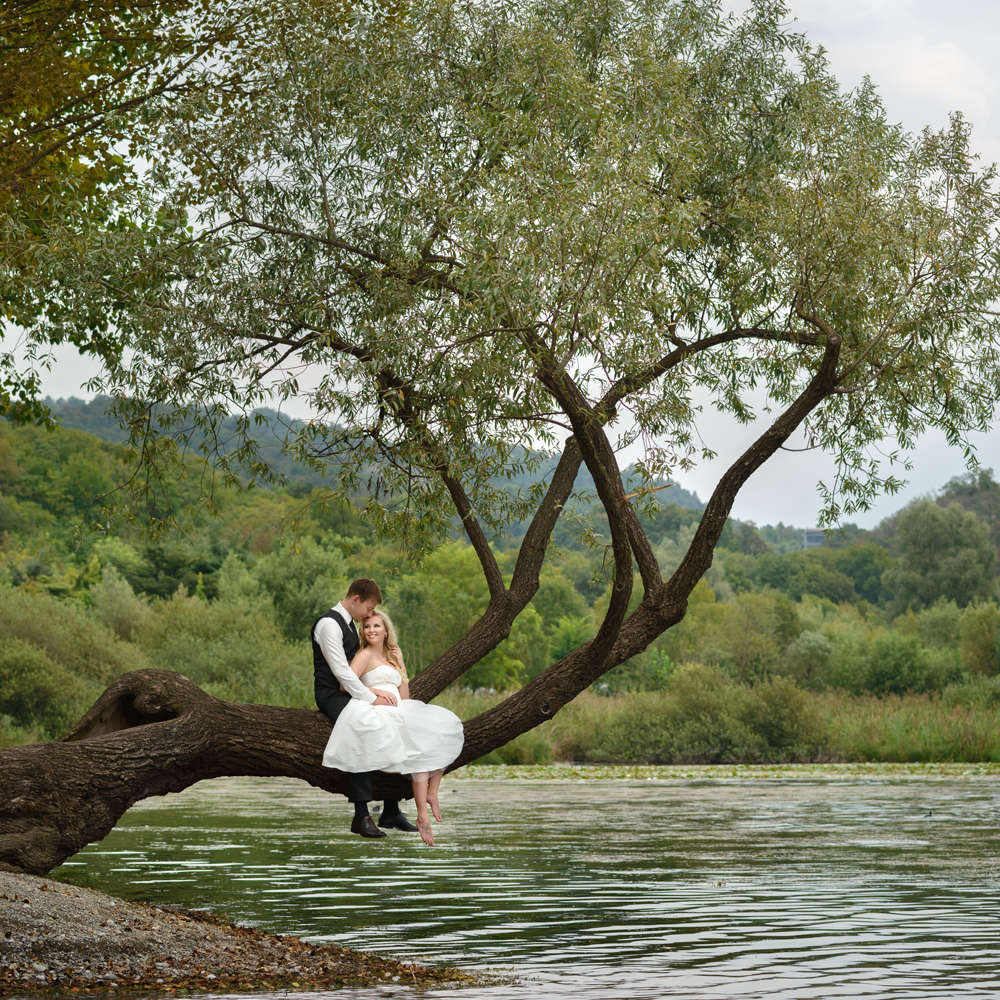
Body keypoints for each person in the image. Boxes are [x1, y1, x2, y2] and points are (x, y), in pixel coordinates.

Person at [322, 608, 464, 846]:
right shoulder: (364, 655)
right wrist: (374, 691)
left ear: (386, 631)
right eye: (367, 627)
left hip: (399, 709)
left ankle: (428, 800)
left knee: (439, 733)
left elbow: (405, 697)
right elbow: (347, 685)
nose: (371, 630)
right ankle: (420, 814)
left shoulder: (391, 657)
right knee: (412, 751)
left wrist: (402, 667)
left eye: (376, 626)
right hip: (376, 708)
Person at [312, 579, 418, 838]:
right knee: (363, 724)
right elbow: (342, 674)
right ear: (356, 599)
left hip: (357, 691)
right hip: (332, 694)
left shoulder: (350, 624)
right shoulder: (329, 625)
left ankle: (391, 809)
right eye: (368, 608)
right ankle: (360, 814)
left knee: (392, 725)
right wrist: (372, 697)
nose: (369, 615)